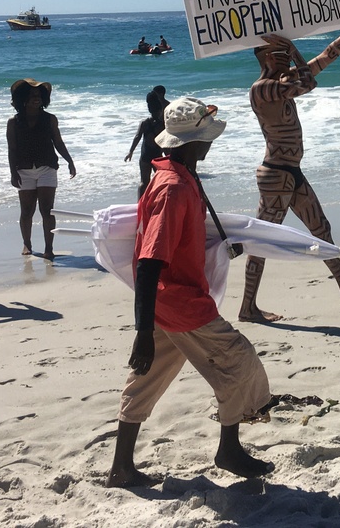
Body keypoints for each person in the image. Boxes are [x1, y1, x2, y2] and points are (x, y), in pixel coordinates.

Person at [107, 96, 274, 488]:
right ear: (194, 142)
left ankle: (121, 468)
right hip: (179, 301)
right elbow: (149, 261)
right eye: (207, 138)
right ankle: (229, 451)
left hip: (165, 301)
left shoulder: (176, 175)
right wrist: (141, 332)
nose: (211, 143)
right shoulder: (174, 188)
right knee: (239, 361)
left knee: (146, 378)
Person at [239, 11, 340, 323]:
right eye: (281, 55)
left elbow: (326, 58)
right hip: (276, 175)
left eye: (286, 55)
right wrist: (293, 49)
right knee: (262, 242)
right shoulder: (261, 89)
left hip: (292, 173)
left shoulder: (282, 82)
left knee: (321, 228)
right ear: (266, 58)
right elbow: (308, 83)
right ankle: (248, 308)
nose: (286, 61)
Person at [6, 78, 76, 260]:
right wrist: (13, 172)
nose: (36, 98)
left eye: (38, 95)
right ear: (23, 98)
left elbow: (58, 142)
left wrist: (69, 161)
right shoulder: (13, 122)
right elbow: (12, 149)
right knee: (27, 211)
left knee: (47, 210)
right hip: (23, 169)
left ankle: (49, 248)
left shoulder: (50, 119)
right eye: (31, 95)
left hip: (47, 167)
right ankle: (27, 243)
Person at [125, 86, 168, 199]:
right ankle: (158, 201)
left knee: (144, 182)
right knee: (160, 181)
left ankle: (139, 204)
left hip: (145, 156)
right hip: (157, 157)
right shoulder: (162, 125)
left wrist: (130, 152)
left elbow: (137, 137)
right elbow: (165, 142)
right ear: (160, 110)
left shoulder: (144, 123)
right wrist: (169, 155)